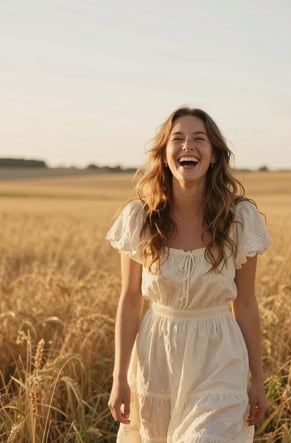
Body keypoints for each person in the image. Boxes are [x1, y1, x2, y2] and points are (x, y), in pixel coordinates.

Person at [106, 107, 272, 443]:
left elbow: (246, 303)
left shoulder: (240, 219)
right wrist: (119, 377)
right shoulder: (139, 217)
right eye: (177, 139)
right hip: (157, 359)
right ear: (164, 155)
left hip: (219, 356)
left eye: (199, 139)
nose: (188, 146)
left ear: (213, 156)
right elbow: (131, 299)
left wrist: (258, 379)